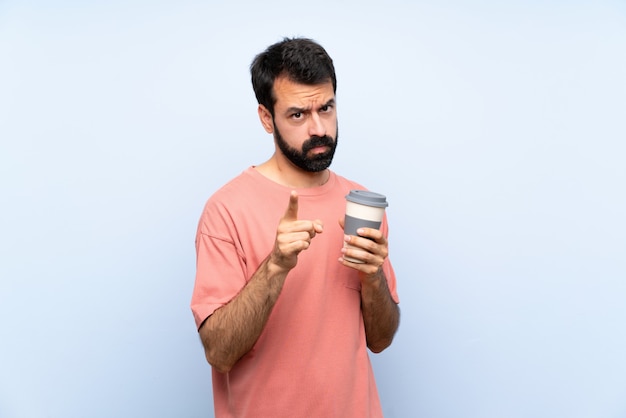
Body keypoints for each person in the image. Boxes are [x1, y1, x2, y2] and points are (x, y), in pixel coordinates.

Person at [191, 37, 400, 418]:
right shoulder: (226, 210)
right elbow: (219, 353)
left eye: (327, 107)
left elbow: (381, 339)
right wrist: (274, 267)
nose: (319, 128)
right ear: (266, 118)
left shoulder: (362, 202)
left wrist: (373, 279)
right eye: (298, 115)